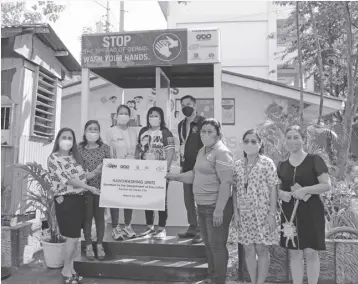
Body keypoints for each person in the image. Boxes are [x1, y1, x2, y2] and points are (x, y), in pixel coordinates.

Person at [166, 118, 233, 284]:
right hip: (202, 207)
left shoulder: (222, 152)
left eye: (210, 132)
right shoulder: (202, 151)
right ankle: (212, 277)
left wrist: (219, 210)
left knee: (217, 246)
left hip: (216, 207)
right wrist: (174, 177)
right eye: (203, 131)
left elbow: (226, 183)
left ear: (218, 134)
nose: (205, 134)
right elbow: (194, 175)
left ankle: (219, 280)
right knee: (209, 246)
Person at [277, 125, 331, 284]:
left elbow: (326, 185)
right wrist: (281, 194)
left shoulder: (314, 160)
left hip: (311, 211)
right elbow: (277, 188)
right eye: (289, 137)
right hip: (289, 214)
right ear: (285, 140)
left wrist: (306, 189)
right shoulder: (282, 165)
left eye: (296, 137)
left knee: (311, 252)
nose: (292, 141)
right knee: (294, 252)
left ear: (303, 139)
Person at [47, 128, 100, 284]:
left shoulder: (73, 158)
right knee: (71, 237)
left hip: (78, 200)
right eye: (64, 137)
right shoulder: (53, 159)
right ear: (58, 139)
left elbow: (84, 176)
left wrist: (97, 170)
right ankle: (66, 270)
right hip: (65, 200)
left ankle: (71, 269)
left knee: (75, 238)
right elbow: (68, 180)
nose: (67, 140)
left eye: (70, 137)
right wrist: (89, 188)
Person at [233, 129, 280, 284]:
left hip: (262, 213)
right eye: (246, 141)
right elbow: (235, 190)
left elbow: (274, 188)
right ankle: (253, 281)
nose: (250, 144)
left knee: (261, 249)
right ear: (242, 143)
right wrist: (236, 213)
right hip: (244, 214)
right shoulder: (238, 165)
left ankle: (260, 282)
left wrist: (272, 214)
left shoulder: (267, 163)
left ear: (260, 144)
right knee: (248, 249)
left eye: (254, 141)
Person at [137, 106, 175, 239]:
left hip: (160, 172)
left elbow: (170, 152)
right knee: (148, 199)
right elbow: (138, 150)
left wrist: (167, 169)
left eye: (156, 115)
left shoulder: (166, 132)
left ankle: (161, 228)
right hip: (145, 171)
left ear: (161, 118)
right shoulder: (143, 131)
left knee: (161, 200)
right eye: (151, 115)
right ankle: (149, 226)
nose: (153, 117)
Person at [78, 120, 110, 260]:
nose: (92, 132)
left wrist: (100, 171)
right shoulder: (78, 148)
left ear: (99, 132)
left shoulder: (105, 148)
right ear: (85, 132)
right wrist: (90, 173)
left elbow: (111, 167)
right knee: (87, 217)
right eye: (90, 129)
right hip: (84, 188)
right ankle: (89, 245)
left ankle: (99, 244)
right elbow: (76, 168)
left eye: (95, 129)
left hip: (101, 188)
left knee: (99, 218)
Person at [106, 105, 138, 240]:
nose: (123, 115)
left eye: (126, 113)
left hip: (130, 169)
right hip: (115, 169)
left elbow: (136, 149)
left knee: (128, 198)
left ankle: (127, 225)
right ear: (116, 116)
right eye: (121, 113)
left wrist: (134, 157)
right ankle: (115, 227)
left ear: (130, 117)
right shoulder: (110, 131)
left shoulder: (133, 132)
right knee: (115, 199)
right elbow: (106, 150)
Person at [177, 95, 206, 244]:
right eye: (182, 105)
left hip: (200, 167)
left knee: (199, 199)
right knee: (188, 199)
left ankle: (201, 230)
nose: (185, 107)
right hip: (186, 166)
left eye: (188, 104)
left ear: (195, 105)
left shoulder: (203, 122)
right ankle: (192, 227)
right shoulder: (181, 124)